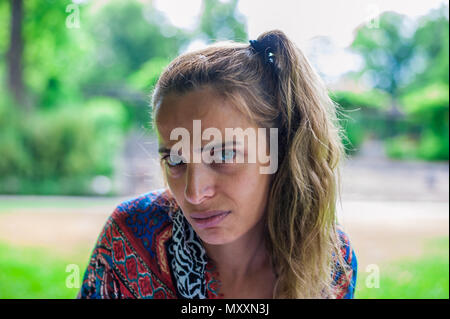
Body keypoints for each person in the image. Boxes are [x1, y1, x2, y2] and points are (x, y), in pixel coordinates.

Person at [77, 30, 357, 299]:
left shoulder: (331, 263)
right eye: (175, 160)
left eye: (223, 156)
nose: (194, 193)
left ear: (279, 148)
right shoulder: (129, 236)